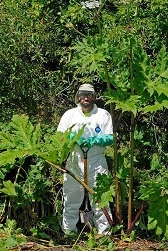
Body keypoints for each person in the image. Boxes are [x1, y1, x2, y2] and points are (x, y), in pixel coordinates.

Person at [57, 83, 113, 234]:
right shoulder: (69, 115)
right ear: (78, 97)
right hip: (75, 161)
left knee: (100, 199)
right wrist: (73, 138)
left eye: (89, 94)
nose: (85, 97)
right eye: (83, 94)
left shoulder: (103, 115)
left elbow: (110, 137)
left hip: (97, 162)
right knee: (71, 199)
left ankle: (104, 233)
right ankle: (69, 232)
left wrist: (96, 140)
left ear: (94, 97)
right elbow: (59, 135)